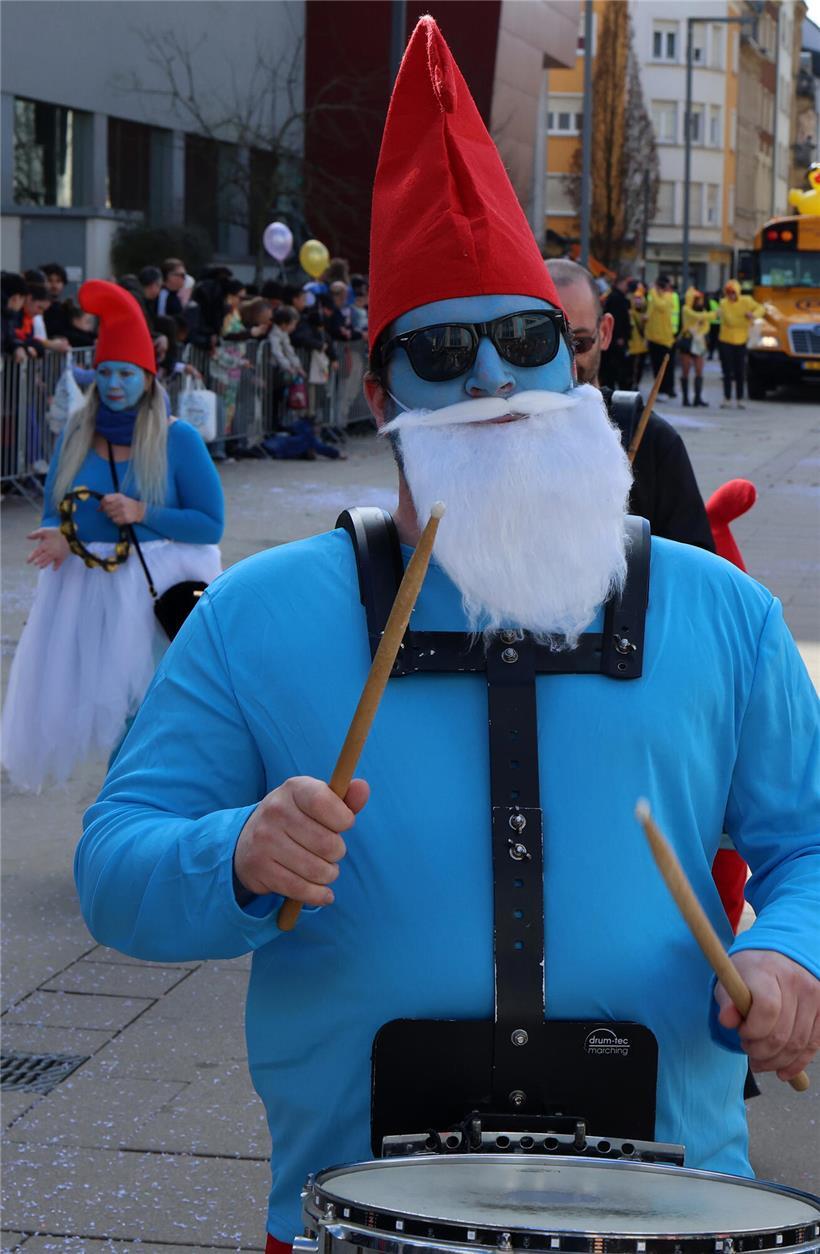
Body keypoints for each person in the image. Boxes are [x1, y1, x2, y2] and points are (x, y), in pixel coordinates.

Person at [75, 19, 819, 1252]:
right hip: (351, 1216)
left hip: (676, 1209)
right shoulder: (260, 616)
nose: (490, 386)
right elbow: (113, 867)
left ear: (575, 361)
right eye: (437, 355)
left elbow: (805, 843)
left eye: (526, 342)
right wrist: (238, 858)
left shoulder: (720, 613)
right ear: (378, 397)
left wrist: (789, 959)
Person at [2, 280, 224, 792]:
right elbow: (56, 509)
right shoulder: (78, 433)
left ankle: (120, 812)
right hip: (86, 591)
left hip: (153, 591)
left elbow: (210, 523)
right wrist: (59, 535)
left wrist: (143, 511)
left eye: (125, 373)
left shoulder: (177, 438)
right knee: (101, 706)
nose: (115, 384)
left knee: (144, 710)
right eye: (105, 373)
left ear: (148, 377)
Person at [547, 259, 714, 554]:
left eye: (579, 343)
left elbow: (695, 569)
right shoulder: (497, 437)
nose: (567, 366)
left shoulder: (653, 440)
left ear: (606, 332)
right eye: (543, 344)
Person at [718, 280, 763, 410]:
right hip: (726, 340)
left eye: (733, 292)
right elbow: (730, 321)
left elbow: (761, 308)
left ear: (738, 292)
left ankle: (739, 398)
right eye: (728, 293)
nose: (731, 295)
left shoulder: (747, 301)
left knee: (740, 371)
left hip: (741, 340)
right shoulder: (723, 304)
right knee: (727, 371)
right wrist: (744, 319)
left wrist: (753, 315)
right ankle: (726, 398)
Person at [644, 274, 677, 398]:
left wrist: (653, 291)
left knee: (665, 368)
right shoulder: (654, 297)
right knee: (656, 366)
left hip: (665, 339)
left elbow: (660, 306)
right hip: (653, 338)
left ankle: (665, 390)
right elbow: (650, 311)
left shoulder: (669, 297)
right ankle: (660, 390)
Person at [599, 271, 631, 390]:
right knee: (614, 368)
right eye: (625, 284)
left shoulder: (615, 297)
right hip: (616, 340)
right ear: (620, 283)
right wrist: (619, 337)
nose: (627, 287)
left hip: (614, 339)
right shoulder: (617, 298)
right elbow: (616, 319)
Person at [678, 290, 711, 408]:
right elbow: (698, 317)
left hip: (699, 341)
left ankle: (697, 398)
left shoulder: (703, 311)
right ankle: (685, 398)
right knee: (685, 370)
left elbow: (706, 326)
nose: (699, 301)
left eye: (700, 299)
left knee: (699, 370)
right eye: (696, 299)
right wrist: (712, 314)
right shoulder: (686, 309)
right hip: (687, 341)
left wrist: (700, 332)